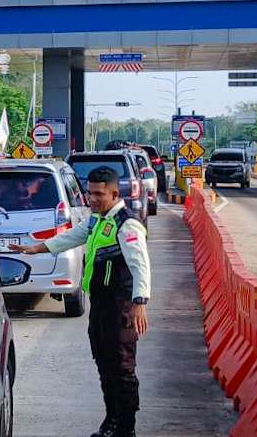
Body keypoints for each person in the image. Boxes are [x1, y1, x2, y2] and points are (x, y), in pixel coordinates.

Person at [9, 167, 151, 437]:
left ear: (114, 193)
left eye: (99, 194)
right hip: (100, 306)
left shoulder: (127, 224)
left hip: (119, 307)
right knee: (105, 365)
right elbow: (72, 237)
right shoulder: (97, 220)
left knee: (122, 368)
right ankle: (111, 421)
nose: (93, 199)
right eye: (90, 193)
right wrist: (36, 248)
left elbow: (140, 265)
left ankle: (126, 427)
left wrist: (140, 302)